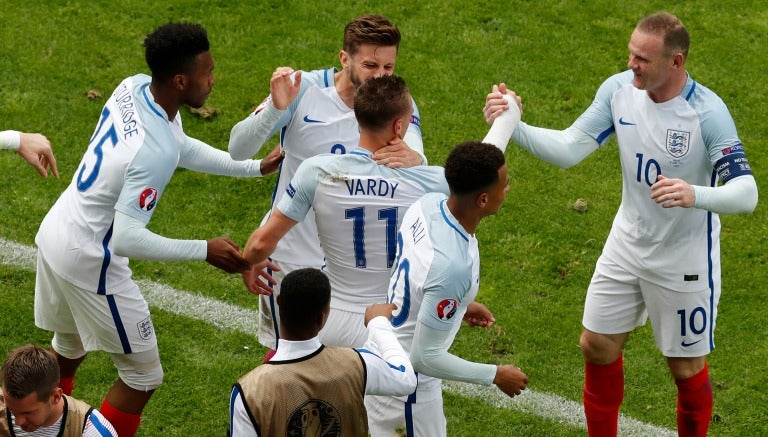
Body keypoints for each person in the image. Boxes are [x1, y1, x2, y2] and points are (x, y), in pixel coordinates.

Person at [483, 11, 757, 437]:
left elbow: (747, 193)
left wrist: (695, 194)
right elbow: (571, 148)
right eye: (631, 53)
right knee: (596, 345)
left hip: (683, 261)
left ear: (676, 62)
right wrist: (513, 124)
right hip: (627, 243)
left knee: (685, 370)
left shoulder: (707, 113)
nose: (632, 64)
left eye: (643, 59)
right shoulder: (618, 91)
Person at [33, 22, 280, 437]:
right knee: (143, 376)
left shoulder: (135, 88)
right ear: (181, 81)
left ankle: (28, 427)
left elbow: (177, 143)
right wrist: (205, 249)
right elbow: (128, 237)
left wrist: (250, 167)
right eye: (208, 72)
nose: (214, 79)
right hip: (90, 258)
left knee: (70, 344)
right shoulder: (153, 151)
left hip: (57, 230)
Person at [242, 74, 518, 348]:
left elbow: (262, 243)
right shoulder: (430, 182)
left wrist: (250, 259)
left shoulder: (317, 172)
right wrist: (508, 117)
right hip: (391, 327)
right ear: (399, 126)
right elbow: (479, 169)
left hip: (331, 322)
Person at [229, 14, 425, 356]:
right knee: (291, 359)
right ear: (344, 58)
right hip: (293, 259)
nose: (380, 76)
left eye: (389, 68)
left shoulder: (395, 105)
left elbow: (415, 162)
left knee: (353, 368)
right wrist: (276, 109)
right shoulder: (301, 90)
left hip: (354, 269)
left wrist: (415, 158)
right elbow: (237, 149)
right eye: (370, 65)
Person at [366, 140, 529, 437]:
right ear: (482, 199)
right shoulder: (452, 267)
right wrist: (495, 375)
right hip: (407, 389)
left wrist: (459, 306)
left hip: (387, 357)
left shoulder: (427, 204)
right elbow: (424, 357)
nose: (506, 190)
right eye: (503, 186)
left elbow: (422, 280)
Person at [228, 268, 417, 436]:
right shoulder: (357, 364)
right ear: (323, 316)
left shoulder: (249, 391)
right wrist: (378, 324)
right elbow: (406, 380)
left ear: (278, 302)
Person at [1, 344, 117, 436]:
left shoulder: (91, 432)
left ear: (55, 397)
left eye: (27, 413)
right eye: (11, 409)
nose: (18, 421)